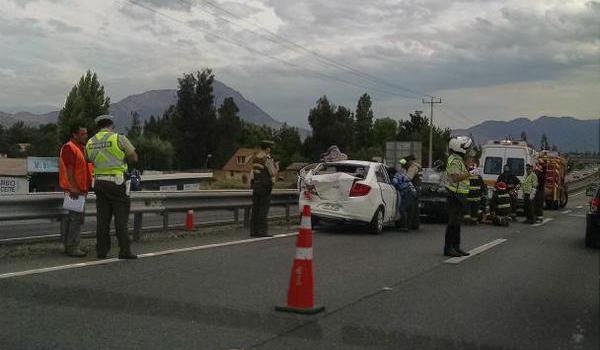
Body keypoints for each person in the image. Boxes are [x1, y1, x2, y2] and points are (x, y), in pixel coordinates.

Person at [85, 115, 138, 259]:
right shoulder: (118, 138)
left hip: (99, 183)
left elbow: (88, 159)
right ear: (111, 125)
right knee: (121, 218)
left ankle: (101, 251)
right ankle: (124, 250)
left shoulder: (90, 142)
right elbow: (134, 157)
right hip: (117, 182)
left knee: (102, 219)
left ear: (98, 126)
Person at [59, 125, 93, 257]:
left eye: (86, 134)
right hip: (74, 190)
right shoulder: (69, 147)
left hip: (80, 189)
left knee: (73, 218)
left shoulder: (81, 148)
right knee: (75, 219)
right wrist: (73, 187)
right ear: (75, 135)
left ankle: (68, 245)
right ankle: (72, 246)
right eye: (83, 134)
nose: (86, 136)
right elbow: (70, 169)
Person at [444, 136, 473, 257]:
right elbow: (455, 178)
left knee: (457, 223)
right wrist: (469, 173)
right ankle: (448, 248)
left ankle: (456, 247)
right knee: (453, 222)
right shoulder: (455, 160)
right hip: (454, 194)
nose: (468, 150)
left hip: (459, 194)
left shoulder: (458, 159)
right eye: (466, 148)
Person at [250, 140, 278, 237]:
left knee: (255, 209)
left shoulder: (255, 158)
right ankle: (262, 231)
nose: (270, 150)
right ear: (267, 149)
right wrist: (277, 167)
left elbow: (252, 175)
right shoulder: (267, 159)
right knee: (263, 209)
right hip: (265, 187)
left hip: (256, 186)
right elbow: (272, 173)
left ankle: (253, 231)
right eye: (270, 148)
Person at [390, 166, 417, 231]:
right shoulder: (400, 175)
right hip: (413, 191)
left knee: (402, 209)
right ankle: (409, 226)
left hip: (407, 192)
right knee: (410, 209)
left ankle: (404, 226)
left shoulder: (395, 178)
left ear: (391, 173)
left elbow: (395, 183)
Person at [464, 159, 484, 225]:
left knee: (467, 210)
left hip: (468, 196)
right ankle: (474, 221)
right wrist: (480, 194)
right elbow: (482, 187)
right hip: (476, 197)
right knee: (475, 210)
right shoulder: (478, 177)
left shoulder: (466, 176)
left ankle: (467, 220)